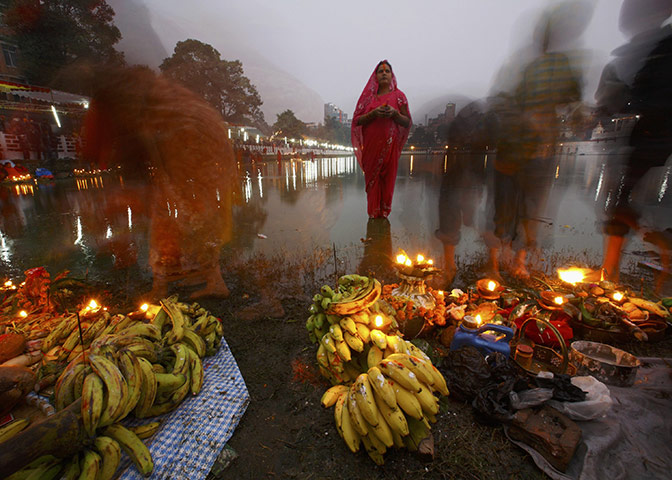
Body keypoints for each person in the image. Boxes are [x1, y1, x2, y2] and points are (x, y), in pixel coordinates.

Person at [595, 0, 672, 287]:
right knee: (619, 203)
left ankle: (657, 244)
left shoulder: (655, 50)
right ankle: (609, 272)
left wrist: (614, 100)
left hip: (650, 138)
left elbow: (633, 97)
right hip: (648, 138)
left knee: (621, 205)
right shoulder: (649, 48)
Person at [351, 60, 411, 219]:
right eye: (380, 71)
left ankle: (384, 219)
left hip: (391, 148)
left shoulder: (399, 97)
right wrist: (373, 114)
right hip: (371, 148)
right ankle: (373, 216)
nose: (384, 73)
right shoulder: (368, 99)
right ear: (375, 76)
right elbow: (356, 120)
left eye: (387, 71)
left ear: (392, 76)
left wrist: (395, 114)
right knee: (372, 183)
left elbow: (407, 122)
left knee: (388, 182)